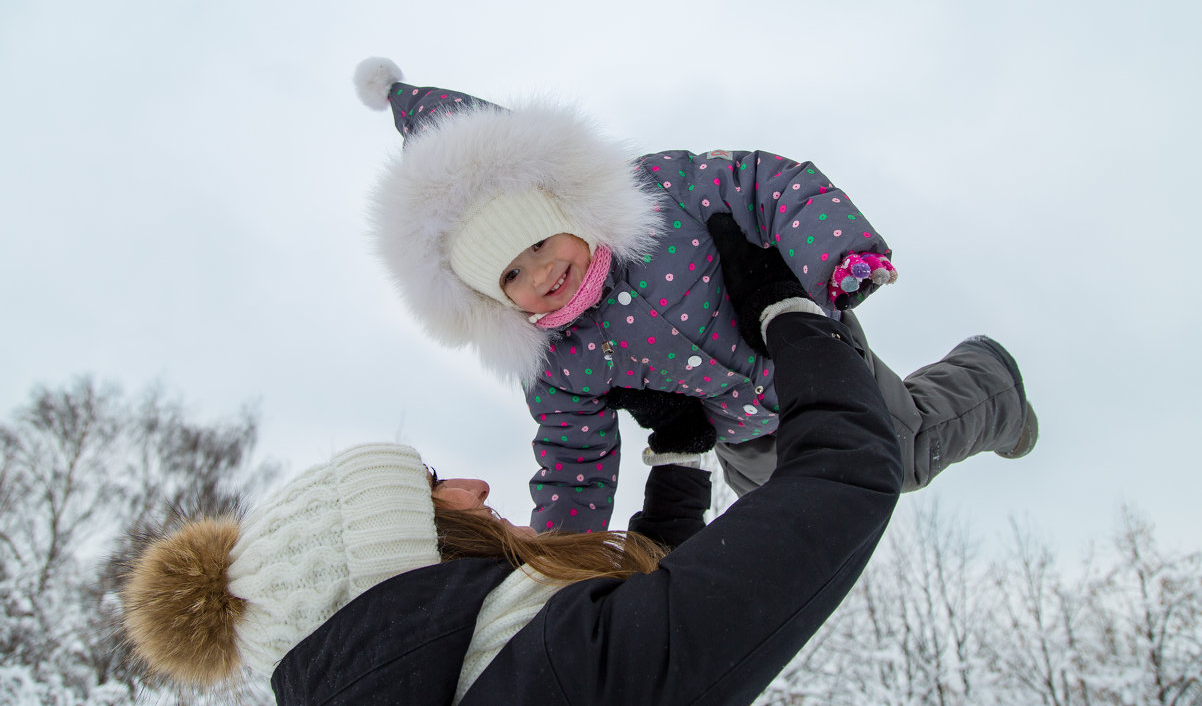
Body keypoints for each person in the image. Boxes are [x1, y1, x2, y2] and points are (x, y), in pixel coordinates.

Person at [118, 234, 904, 706]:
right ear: (391, 573)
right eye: (432, 493)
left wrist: (677, 458)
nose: (473, 487)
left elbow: (643, 627)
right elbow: (844, 481)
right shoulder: (555, 683)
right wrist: (788, 313)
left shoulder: (491, 678)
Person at [356, 57, 1038, 534]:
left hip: (804, 347)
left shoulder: (662, 194)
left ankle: (992, 382)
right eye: (510, 275)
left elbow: (769, 185)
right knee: (800, 511)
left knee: (899, 456)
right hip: (741, 434)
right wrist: (566, 557)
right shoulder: (557, 362)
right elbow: (573, 460)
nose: (538, 274)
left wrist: (834, 255)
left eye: (538, 243)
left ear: (564, 209)